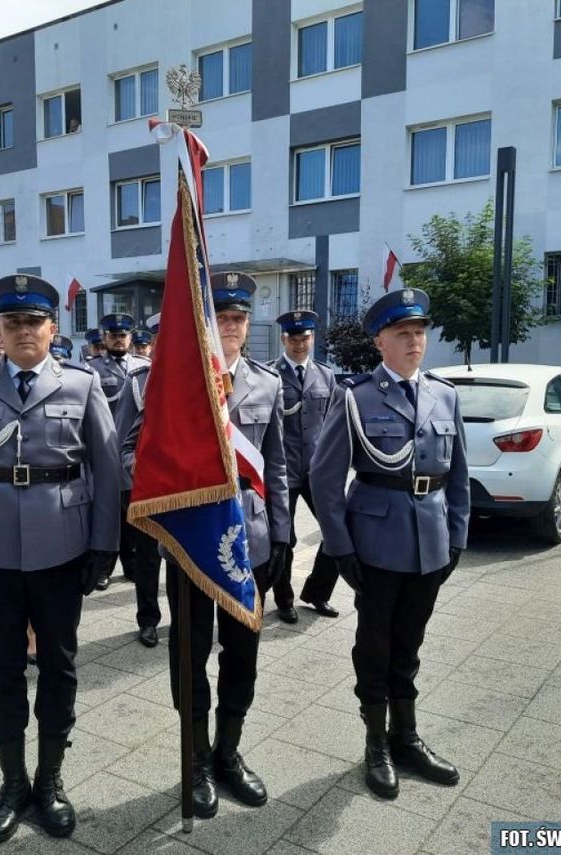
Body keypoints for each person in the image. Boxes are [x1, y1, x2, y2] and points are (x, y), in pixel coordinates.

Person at [0, 273, 119, 844]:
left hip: (62, 548)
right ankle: (12, 782)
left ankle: (51, 780)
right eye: (10, 322)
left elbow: (109, 472)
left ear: (52, 327)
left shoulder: (83, 385)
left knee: (60, 667)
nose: (22, 331)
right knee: (3, 670)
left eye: (32, 322)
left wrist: (104, 544)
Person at [126, 273, 289, 819]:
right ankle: (194, 760)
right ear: (204, 324)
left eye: (240, 317)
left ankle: (228, 752)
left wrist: (284, 532)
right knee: (189, 654)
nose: (233, 327)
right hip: (194, 538)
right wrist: (168, 492)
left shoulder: (267, 384)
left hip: (251, 536)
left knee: (242, 655)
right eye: (222, 317)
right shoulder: (174, 382)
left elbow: (279, 465)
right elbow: (134, 451)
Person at [310, 287, 470, 800]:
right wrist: (341, 550)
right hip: (376, 545)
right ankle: (375, 744)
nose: (414, 342)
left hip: (431, 542)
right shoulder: (355, 397)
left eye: (420, 332)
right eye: (403, 333)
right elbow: (324, 479)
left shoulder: (445, 395)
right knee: (375, 648)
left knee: (411, 646)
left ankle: (407, 737)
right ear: (380, 341)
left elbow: (460, 476)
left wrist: (458, 537)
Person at [269, 310, 340, 624]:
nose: (300, 344)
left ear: (312, 338)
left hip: (317, 470)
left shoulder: (326, 375)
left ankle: (317, 592)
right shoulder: (270, 376)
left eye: (305, 338)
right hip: (282, 470)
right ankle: (284, 600)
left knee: (338, 530)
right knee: (285, 538)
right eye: (294, 338)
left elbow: (335, 425)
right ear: (284, 339)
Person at [88, 312, 150, 590]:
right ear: (105, 338)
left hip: (134, 450)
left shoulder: (142, 365)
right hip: (103, 448)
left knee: (132, 514)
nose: (119, 339)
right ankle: (103, 568)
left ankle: (132, 564)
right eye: (113, 335)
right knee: (108, 512)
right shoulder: (91, 369)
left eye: (123, 335)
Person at [113, 321, 162, 649]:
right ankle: (148, 619)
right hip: (148, 487)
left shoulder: (210, 378)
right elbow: (123, 440)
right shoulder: (139, 381)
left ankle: (189, 618)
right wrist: (139, 473)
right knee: (147, 559)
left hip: (193, 489)